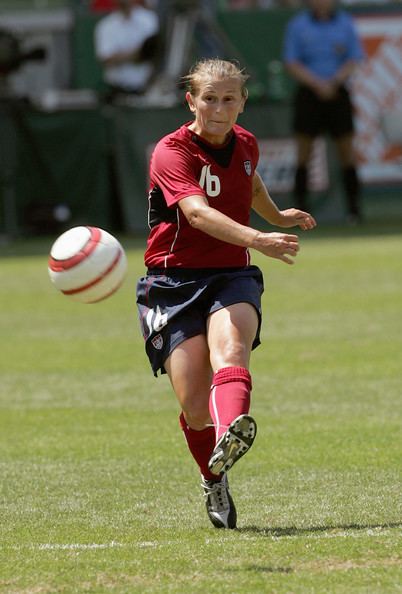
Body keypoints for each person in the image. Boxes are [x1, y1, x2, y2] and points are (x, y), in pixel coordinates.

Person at [136, 58, 316, 529]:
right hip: (172, 282)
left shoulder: (247, 143)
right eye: (209, 98)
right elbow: (196, 214)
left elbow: (250, 184)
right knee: (195, 406)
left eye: (229, 98)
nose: (219, 107)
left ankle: (234, 429)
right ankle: (213, 476)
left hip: (231, 273)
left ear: (243, 101)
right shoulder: (171, 151)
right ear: (191, 100)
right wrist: (261, 239)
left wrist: (277, 217)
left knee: (231, 346)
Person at [283, 0, 365, 223]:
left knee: (346, 151)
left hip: (338, 92)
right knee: (304, 152)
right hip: (309, 93)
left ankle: (354, 210)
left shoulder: (345, 23)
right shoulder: (298, 25)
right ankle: (300, 210)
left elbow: (354, 57)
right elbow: (291, 61)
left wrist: (334, 81)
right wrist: (318, 84)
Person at [94, 0, 159, 100]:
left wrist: (121, 57)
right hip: (116, 91)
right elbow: (106, 59)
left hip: (145, 89)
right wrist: (137, 55)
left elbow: (155, 52)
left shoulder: (149, 19)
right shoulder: (106, 26)